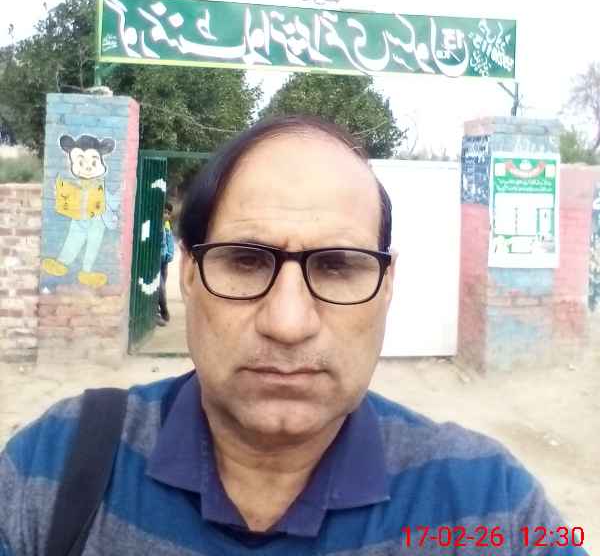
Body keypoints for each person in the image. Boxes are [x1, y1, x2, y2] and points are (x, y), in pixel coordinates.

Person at [0, 116, 587, 554]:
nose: (287, 323)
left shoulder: (489, 506)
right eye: (245, 261)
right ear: (189, 275)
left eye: (337, 266)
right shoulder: (55, 469)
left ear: (386, 286)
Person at [156, 201, 175, 326]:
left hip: (164, 263)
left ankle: (159, 309)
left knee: (161, 287)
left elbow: (170, 242)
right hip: (156, 262)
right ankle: (163, 308)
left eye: (168, 213)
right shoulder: (157, 226)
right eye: (164, 212)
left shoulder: (167, 226)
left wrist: (170, 254)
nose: (166, 215)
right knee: (160, 287)